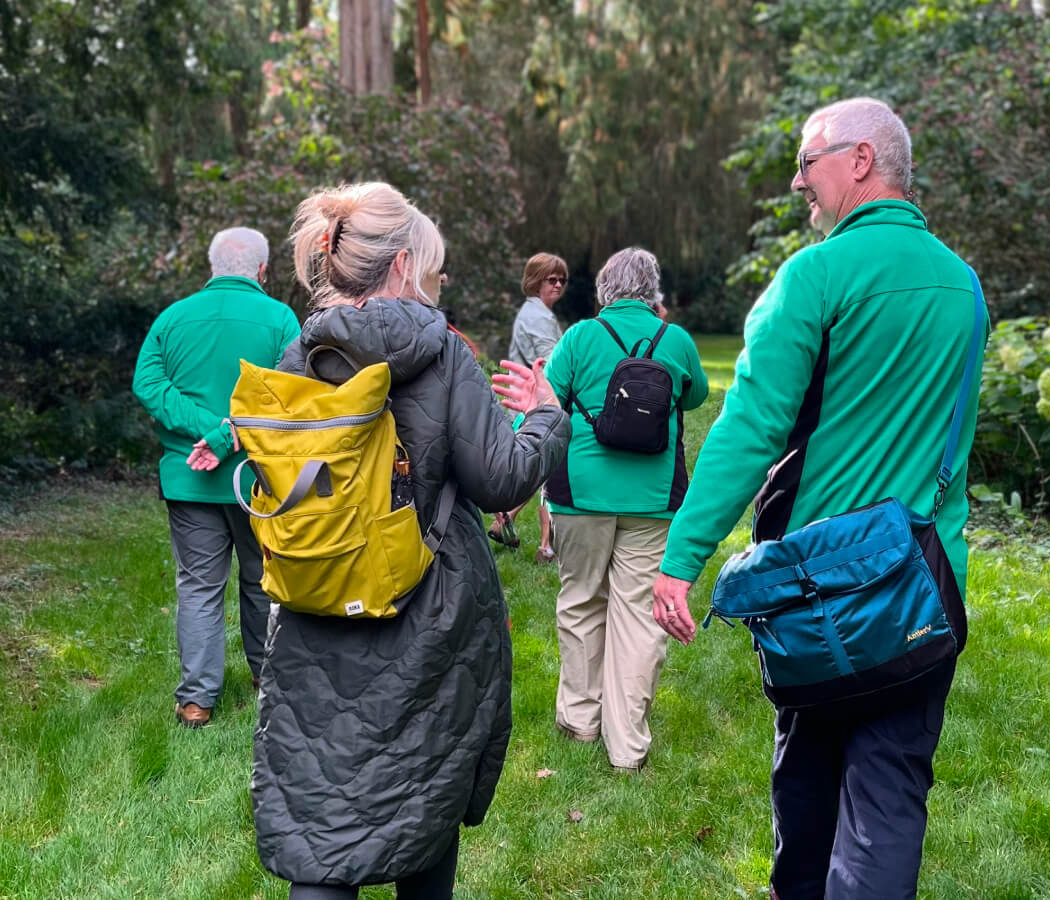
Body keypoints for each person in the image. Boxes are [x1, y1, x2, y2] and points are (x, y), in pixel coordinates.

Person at [651, 98, 986, 898]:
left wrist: (680, 559)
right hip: (924, 593)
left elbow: (750, 428)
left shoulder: (815, 274)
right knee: (890, 802)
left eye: (809, 161)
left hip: (823, 595)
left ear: (861, 160)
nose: (800, 180)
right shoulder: (964, 286)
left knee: (806, 799)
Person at [252, 182, 570, 899]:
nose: (434, 280)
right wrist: (547, 418)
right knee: (423, 801)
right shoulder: (441, 354)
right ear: (401, 266)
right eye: (431, 266)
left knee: (322, 814)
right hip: (427, 609)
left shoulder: (300, 354)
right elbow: (500, 480)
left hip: (318, 600)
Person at [540, 247, 708, 772]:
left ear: (604, 290)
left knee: (581, 600)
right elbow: (696, 396)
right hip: (654, 499)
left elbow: (550, 400)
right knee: (638, 617)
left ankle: (579, 719)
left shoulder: (579, 338)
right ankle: (628, 746)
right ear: (652, 290)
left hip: (580, 496)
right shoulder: (675, 341)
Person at [132, 226, 301, 729]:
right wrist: (228, 435)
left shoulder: (172, 318)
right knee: (261, 578)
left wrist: (204, 431)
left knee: (199, 587)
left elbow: (147, 383)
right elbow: (286, 394)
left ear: (212, 267)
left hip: (190, 481)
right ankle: (265, 676)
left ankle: (196, 701)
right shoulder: (281, 319)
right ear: (263, 270)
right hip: (259, 479)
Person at [490, 252, 568, 562]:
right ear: (536, 282)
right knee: (548, 466)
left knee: (541, 467)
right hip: (534, 404)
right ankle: (546, 545)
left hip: (532, 402)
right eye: (552, 279)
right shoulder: (536, 316)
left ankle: (505, 519)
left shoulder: (540, 313)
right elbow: (550, 363)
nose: (558, 284)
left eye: (562, 279)